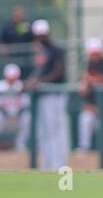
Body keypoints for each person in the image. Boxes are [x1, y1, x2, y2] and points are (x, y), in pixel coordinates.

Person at [24, 19, 69, 171]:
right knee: (44, 131)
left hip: (55, 94)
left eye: (42, 34)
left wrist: (40, 81)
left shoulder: (55, 49)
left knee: (55, 129)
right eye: (38, 35)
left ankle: (58, 164)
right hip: (43, 95)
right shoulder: (39, 50)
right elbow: (40, 71)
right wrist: (31, 81)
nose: (40, 37)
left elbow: (58, 72)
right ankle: (47, 165)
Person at [77, 37, 103, 151]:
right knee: (85, 118)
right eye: (92, 53)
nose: (95, 56)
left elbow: (102, 80)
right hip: (96, 109)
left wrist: (87, 79)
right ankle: (84, 149)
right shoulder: (88, 65)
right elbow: (83, 90)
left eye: (97, 53)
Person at [0, 64, 30, 150]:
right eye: (10, 78)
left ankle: (20, 145)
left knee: (28, 118)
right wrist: (7, 115)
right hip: (2, 117)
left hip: (18, 116)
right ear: (5, 76)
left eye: (13, 78)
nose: (12, 80)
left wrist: (17, 115)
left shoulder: (22, 86)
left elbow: (26, 105)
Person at [0, 4, 34, 79]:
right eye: (16, 12)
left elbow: (34, 40)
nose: (18, 14)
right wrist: (5, 55)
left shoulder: (27, 25)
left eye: (20, 12)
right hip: (12, 60)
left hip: (26, 60)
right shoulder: (7, 26)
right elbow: (1, 42)